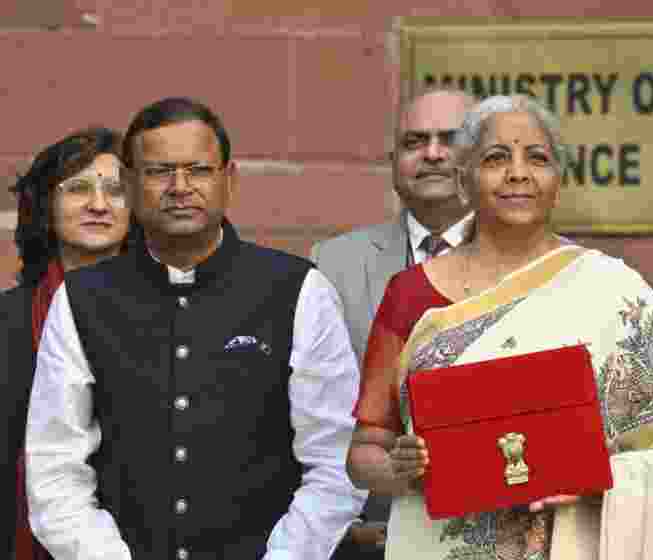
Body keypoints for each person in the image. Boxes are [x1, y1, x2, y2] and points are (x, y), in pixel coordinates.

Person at [346, 94, 653, 559]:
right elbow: (365, 450)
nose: (518, 173)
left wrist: (602, 477)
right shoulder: (410, 294)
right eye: (496, 158)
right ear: (464, 179)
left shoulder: (615, 290)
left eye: (537, 158)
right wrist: (399, 469)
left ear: (558, 180)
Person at [24, 97, 363, 559]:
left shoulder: (298, 289)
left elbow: (335, 461)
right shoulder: (83, 299)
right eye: (160, 171)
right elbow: (55, 465)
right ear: (130, 183)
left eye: (198, 170)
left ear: (229, 179)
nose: (180, 187)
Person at [313, 87, 477, 558]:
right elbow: (317, 415)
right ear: (392, 162)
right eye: (414, 142)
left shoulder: (533, 260)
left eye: (451, 139)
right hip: (375, 533)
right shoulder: (332, 263)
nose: (432, 153)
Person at [1, 128, 132, 559]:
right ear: (46, 206)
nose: (98, 204)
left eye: (116, 190)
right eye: (77, 188)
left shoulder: (172, 315)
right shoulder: (6, 320)